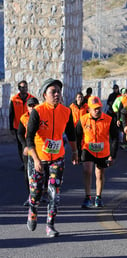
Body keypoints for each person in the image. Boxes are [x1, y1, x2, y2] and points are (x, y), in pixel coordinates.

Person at [26, 79, 78, 237]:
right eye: (52, 92)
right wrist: (35, 159)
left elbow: (71, 134)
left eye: (58, 91)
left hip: (57, 158)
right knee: (36, 192)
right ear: (44, 95)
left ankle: (50, 225)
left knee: (54, 193)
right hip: (38, 157)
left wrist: (75, 152)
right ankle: (33, 211)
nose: (57, 94)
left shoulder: (66, 112)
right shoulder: (38, 111)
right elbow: (29, 138)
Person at [76, 96, 118, 209]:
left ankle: (98, 197)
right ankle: (87, 196)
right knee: (87, 170)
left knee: (99, 173)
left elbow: (115, 138)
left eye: (99, 108)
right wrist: (78, 153)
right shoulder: (83, 120)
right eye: (94, 108)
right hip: (87, 148)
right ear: (88, 109)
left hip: (102, 150)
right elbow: (77, 136)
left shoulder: (109, 120)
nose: (97, 110)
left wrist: (113, 155)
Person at [17, 97, 40, 206]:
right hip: (29, 148)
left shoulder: (42, 115)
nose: (32, 107)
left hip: (40, 147)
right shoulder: (23, 118)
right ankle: (30, 195)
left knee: (41, 171)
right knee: (29, 172)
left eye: (34, 105)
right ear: (27, 107)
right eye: (30, 106)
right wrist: (25, 145)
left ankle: (42, 193)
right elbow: (20, 134)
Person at [9, 80, 35, 169]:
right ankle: (24, 163)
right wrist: (11, 127)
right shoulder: (14, 99)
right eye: (22, 87)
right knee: (21, 145)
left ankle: (31, 161)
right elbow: (11, 113)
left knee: (30, 143)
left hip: (30, 125)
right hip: (18, 126)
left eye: (25, 87)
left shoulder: (32, 99)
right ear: (19, 88)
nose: (24, 89)